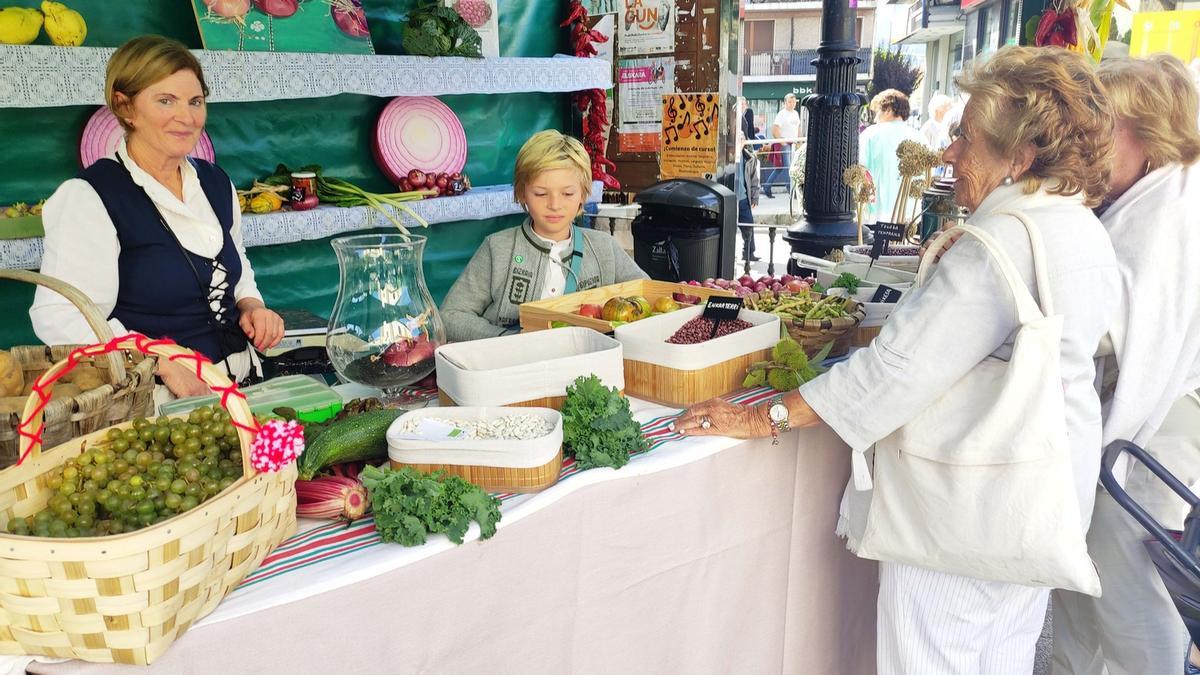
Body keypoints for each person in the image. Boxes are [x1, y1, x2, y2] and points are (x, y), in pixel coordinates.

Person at [674, 47, 1118, 674]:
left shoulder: (1001, 241)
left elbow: (896, 371)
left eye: (967, 137)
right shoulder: (1078, 224)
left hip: (967, 512)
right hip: (1039, 497)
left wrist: (763, 415)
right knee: (1002, 654)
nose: (949, 152)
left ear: (1019, 157)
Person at [29, 35, 284, 399]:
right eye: (166, 101)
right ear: (125, 107)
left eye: (195, 101)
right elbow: (61, 316)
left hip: (241, 384)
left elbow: (235, 261)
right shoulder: (90, 197)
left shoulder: (215, 182)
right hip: (157, 401)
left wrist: (252, 305)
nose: (187, 117)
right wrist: (159, 359)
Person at [1052, 53, 1200, 675]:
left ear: (1150, 131)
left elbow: (1106, 326)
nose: (1088, 144)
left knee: (1129, 594)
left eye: (1102, 127)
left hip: (1154, 430)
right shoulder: (1158, 196)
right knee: (1088, 583)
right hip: (1150, 419)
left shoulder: (1168, 208)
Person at [441, 130, 647, 341]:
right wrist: (509, 340)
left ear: (583, 194)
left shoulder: (604, 248)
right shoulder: (497, 248)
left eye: (568, 193)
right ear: (522, 193)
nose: (555, 205)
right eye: (540, 193)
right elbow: (451, 316)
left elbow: (647, 297)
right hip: (513, 359)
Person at [859, 89, 924, 224]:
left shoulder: (871, 134)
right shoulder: (920, 138)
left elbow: (860, 168)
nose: (875, 118)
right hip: (911, 213)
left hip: (877, 213)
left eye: (878, 111)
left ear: (888, 109)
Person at [763, 93, 800, 198]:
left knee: (780, 168)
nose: (792, 104)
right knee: (789, 167)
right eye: (790, 102)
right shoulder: (782, 114)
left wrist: (799, 141)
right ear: (785, 103)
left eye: (794, 102)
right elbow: (774, 129)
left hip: (793, 144)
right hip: (784, 144)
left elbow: (798, 128)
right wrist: (782, 141)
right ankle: (791, 190)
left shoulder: (795, 113)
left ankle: (767, 187)